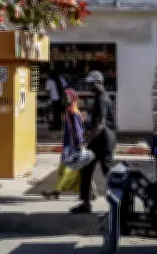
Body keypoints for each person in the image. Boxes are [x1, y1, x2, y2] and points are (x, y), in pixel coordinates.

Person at [71, 70, 116, 214]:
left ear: (98, 83)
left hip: (102, 142)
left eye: (91, 84)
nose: (88, 86)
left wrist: (88, 140)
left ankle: (117, 203)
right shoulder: (102, 98)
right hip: (101, 141)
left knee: (109, 174)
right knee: (86, 171)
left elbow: (101, 124)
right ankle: (86, 203)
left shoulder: (101, 99)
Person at [40, 89, 98, 200]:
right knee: (68, 169)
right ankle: (59, 192)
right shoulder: (68, 110)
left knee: (69, 169)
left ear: (72, 98)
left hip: (74, 146)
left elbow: (77, 130)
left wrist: (80, 144)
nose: (64, 99)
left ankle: (58, 192)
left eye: (66, 97)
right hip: (69, 145)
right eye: (63, 96)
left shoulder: (73, 112)